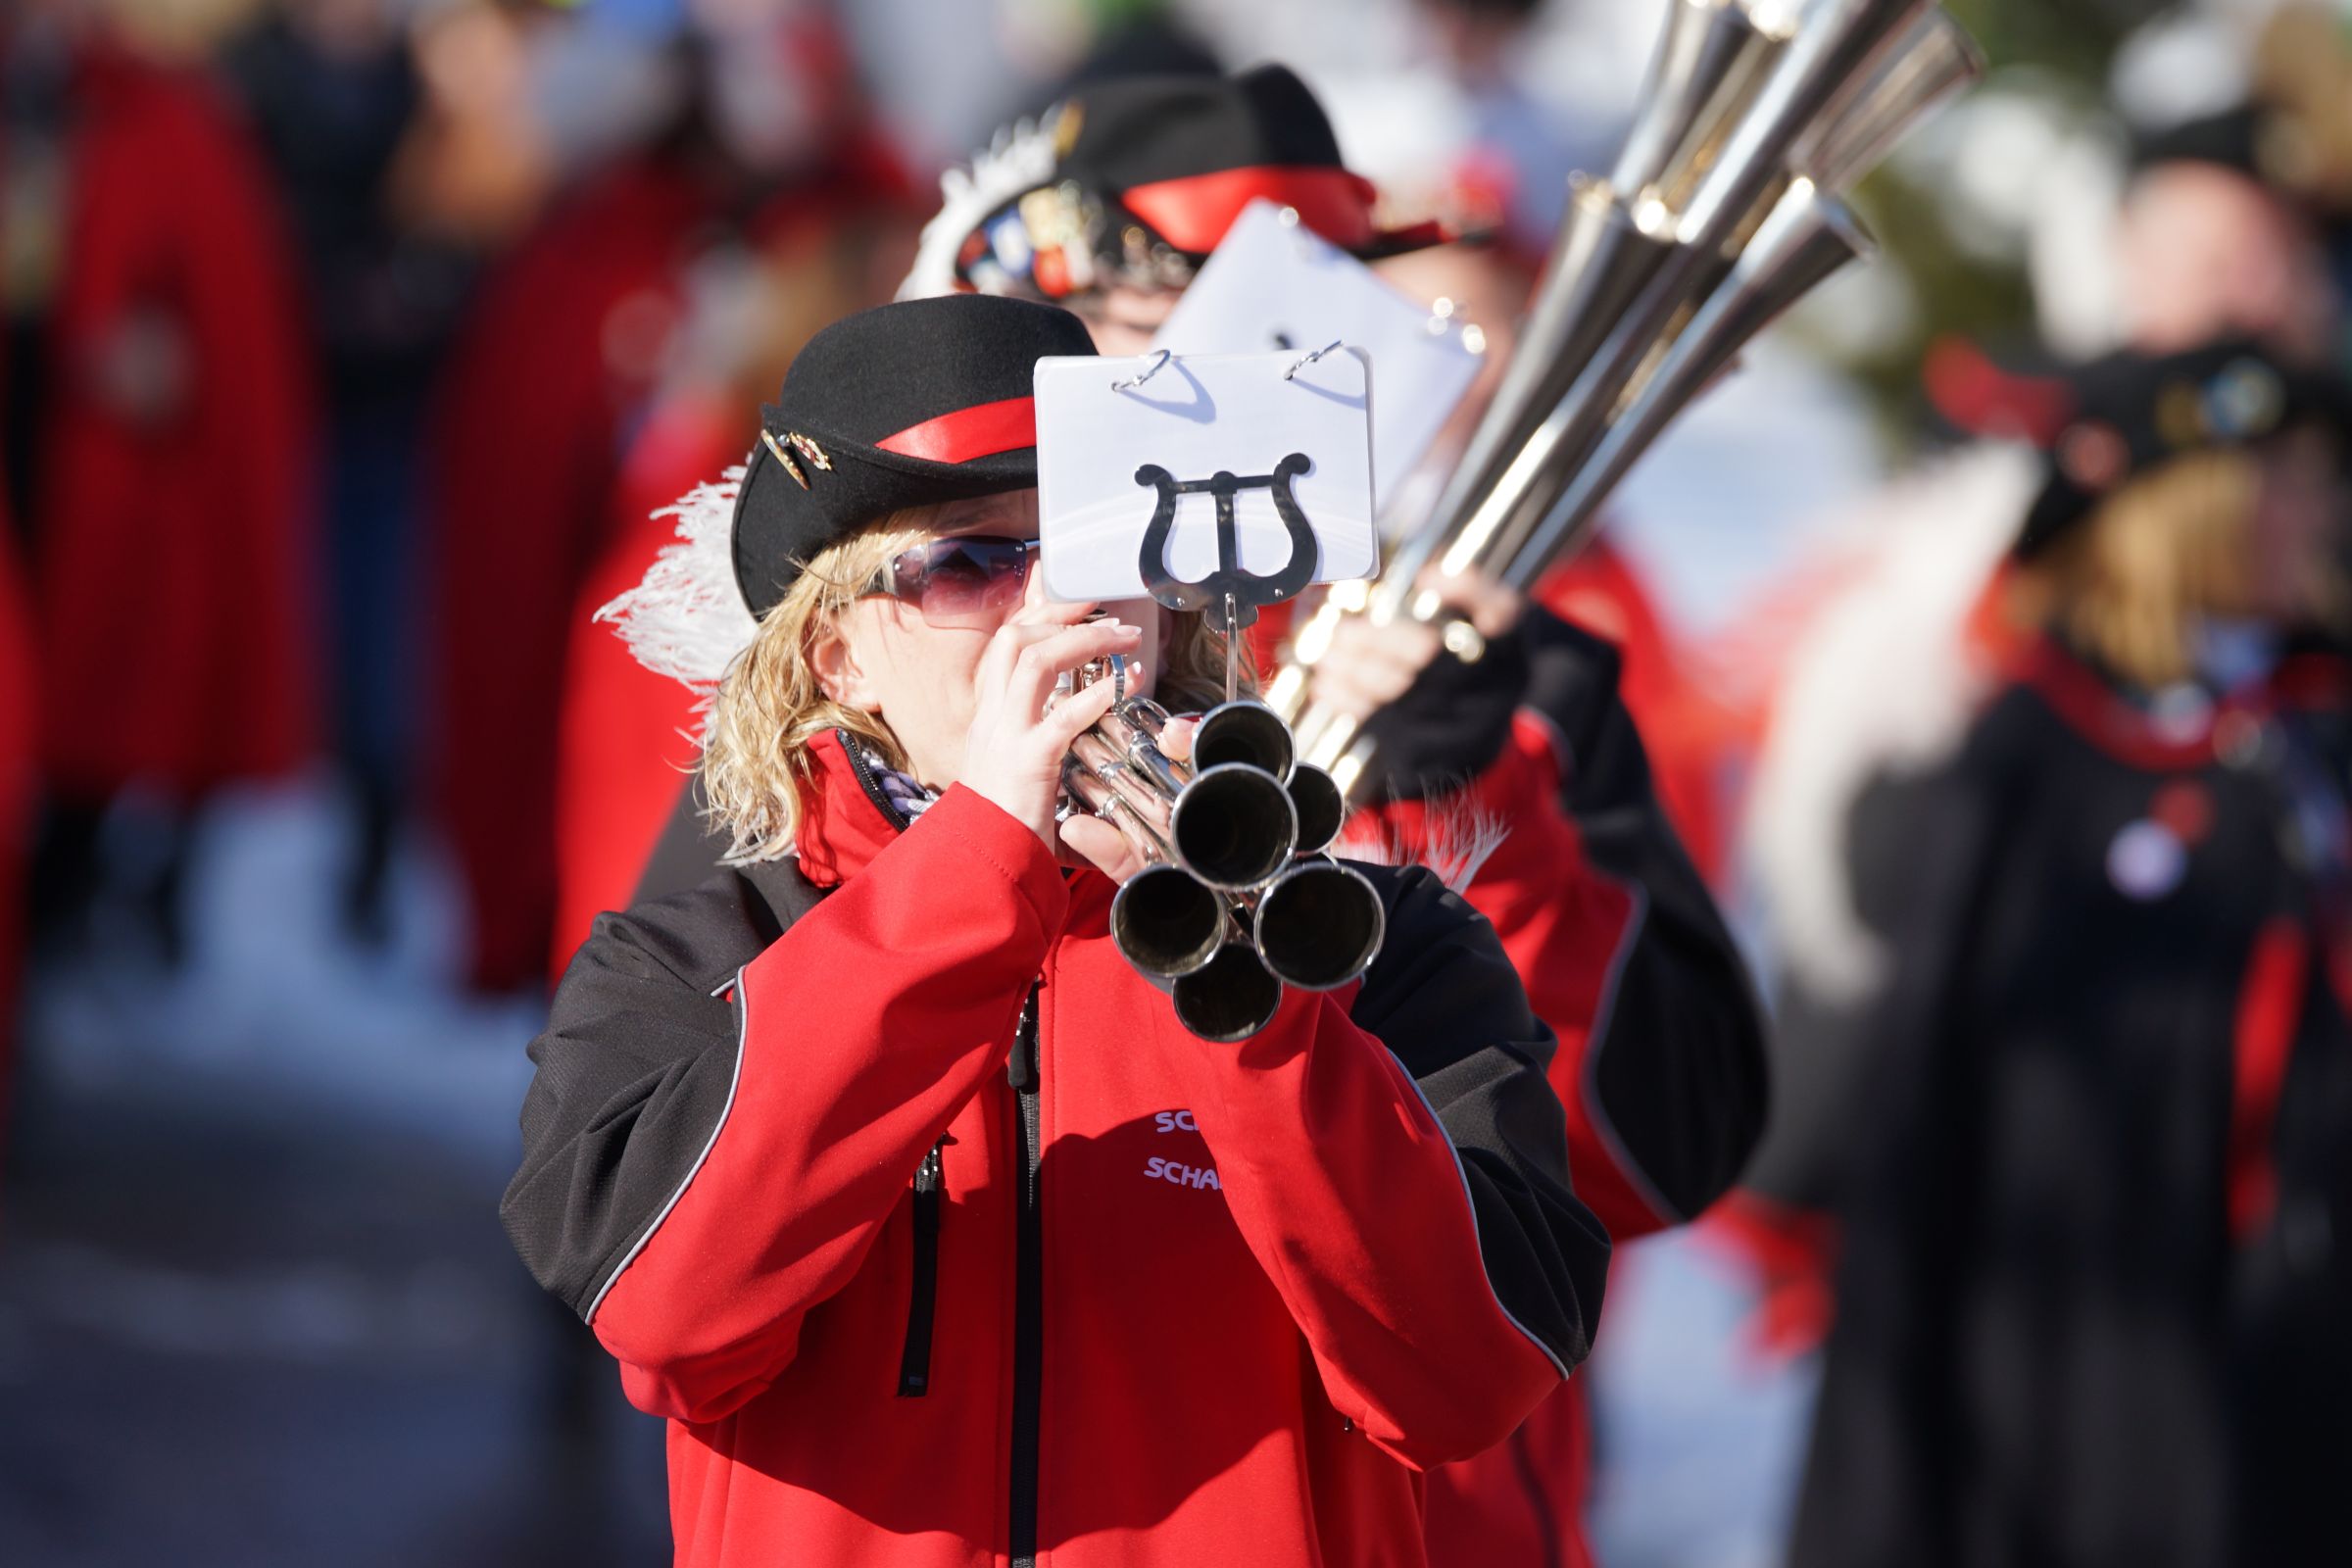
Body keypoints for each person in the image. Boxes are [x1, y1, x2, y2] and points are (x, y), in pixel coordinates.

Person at [501, 292, 1610, 1567]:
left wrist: (1249, 996)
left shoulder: (1367, 942)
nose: (1052, 612)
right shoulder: (697, 960)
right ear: (836, 656)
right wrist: (980, 868)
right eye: (971, 563)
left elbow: (1468, 1384)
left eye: (1092, 550)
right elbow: (669, 1317)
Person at [1786, 338, 2352, 1568]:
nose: (2323, 512)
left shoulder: (2312, 732)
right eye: (2288, 479)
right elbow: (1921, 1133)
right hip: (2074, 1405)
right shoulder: (2028, 761)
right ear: (2189, 507)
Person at [4, 1, 317, 965]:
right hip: (49, 459)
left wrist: (119, 344)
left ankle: (77, 914)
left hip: (77, 482)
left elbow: (204, 319)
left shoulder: (149, 116)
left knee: (88, 728)